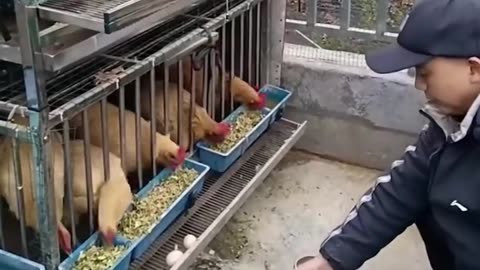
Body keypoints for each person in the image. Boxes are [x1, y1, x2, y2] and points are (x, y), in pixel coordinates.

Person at [296, 0, 480, 269]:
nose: (419, 84)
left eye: (425, 72)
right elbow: (402, 188)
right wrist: (330, 260)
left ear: (474, 69)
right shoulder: (451, 123)